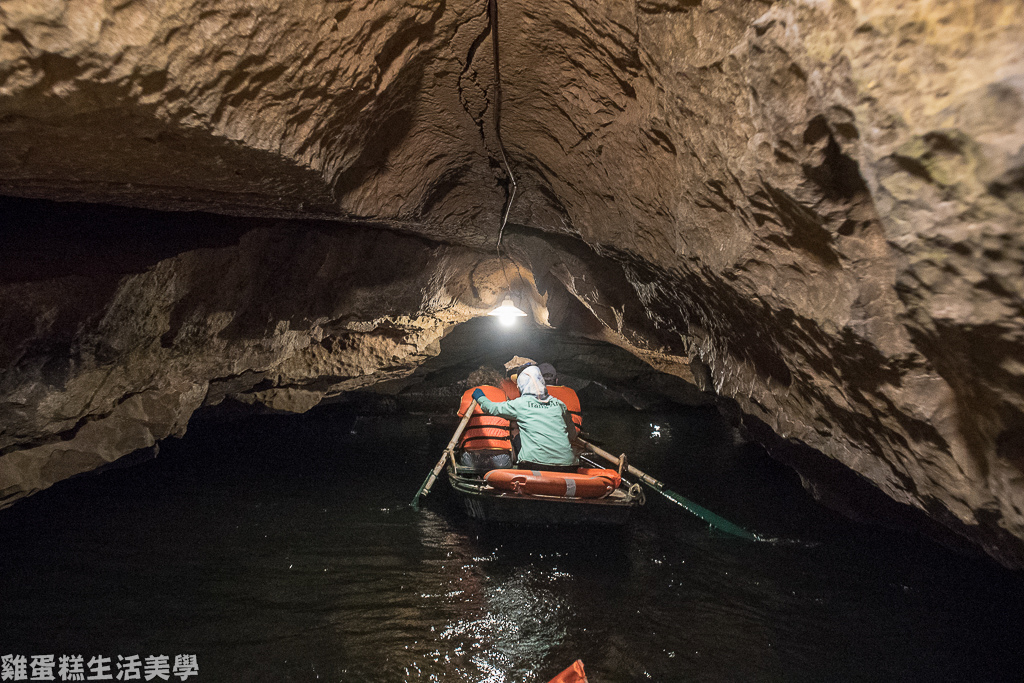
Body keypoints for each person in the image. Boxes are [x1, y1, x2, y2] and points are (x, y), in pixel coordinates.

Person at [472, 366, 579, 472]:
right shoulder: (559, 404)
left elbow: (491, 408)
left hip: (535, 464)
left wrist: (480, 397)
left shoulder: (520, 404)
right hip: (568, 465)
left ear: (522, 386)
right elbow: (572, 435)